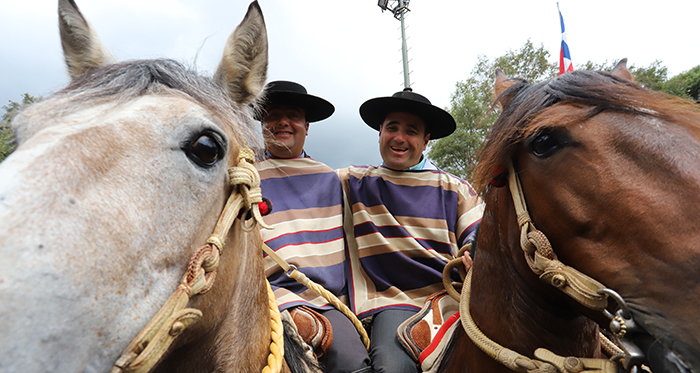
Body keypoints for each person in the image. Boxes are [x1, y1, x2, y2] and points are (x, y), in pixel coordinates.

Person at [337, 88, 484, 373]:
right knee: (391, 368)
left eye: (412, 131)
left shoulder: (454, 188)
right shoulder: (353, 182)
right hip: (394, 301)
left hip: (453, 299)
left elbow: (479, 232)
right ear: (380, 132)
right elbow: (301, 177)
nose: (399, 138)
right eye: (392, 127)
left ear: (426, 140)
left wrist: (474, 255)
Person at [256, 80, 371, 373]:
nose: (283, 122)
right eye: (273, 114)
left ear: (306, 126)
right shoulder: (244, 174)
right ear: (261, 122)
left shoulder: (330, 179)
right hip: (263, 295)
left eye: (293, 115)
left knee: (354, 365)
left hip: (324, 299)